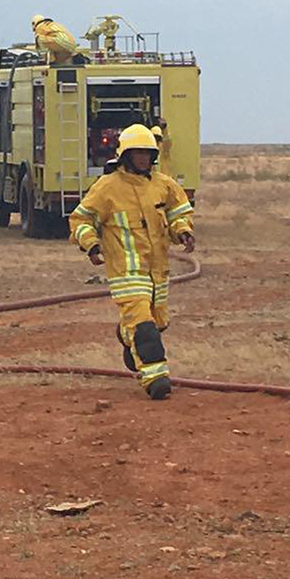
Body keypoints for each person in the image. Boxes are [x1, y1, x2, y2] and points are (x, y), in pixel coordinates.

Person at [69, 124, 195, 400]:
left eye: (147, 153)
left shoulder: (164, 185)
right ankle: (155, 377)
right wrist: (90, 244)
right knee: (145, 327)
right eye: (138, 153)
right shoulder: (107, 188)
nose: (143, 158)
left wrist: (183, 231)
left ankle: (128, 336)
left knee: (158, 322)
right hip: (126, 271)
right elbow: (81, 219)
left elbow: (178, 213)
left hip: (157, 271)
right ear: (126, 155)